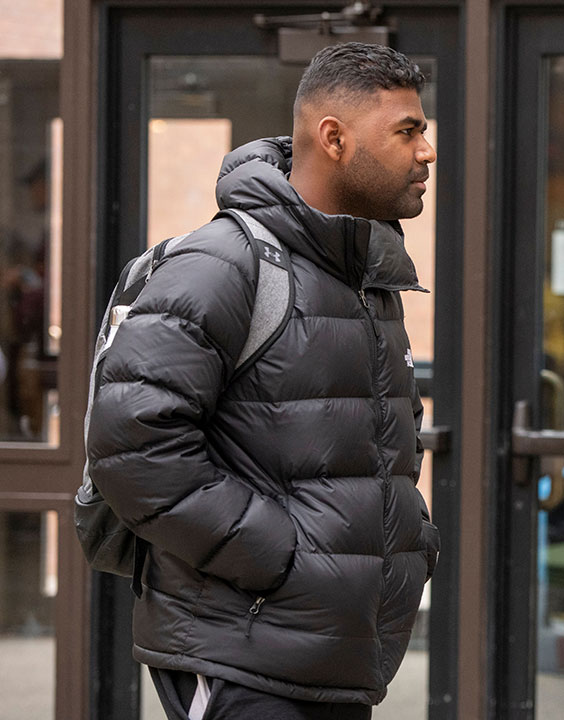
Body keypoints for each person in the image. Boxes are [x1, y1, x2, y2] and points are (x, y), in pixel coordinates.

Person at [86, 43, 439, 720]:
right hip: (243, 656)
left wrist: (409, 543)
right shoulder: (223, 264)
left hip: (332, 657)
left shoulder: (361, 275)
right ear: (333, 137)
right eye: (407, 131)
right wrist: (282, 560)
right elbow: (132, 448)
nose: (425, 152)